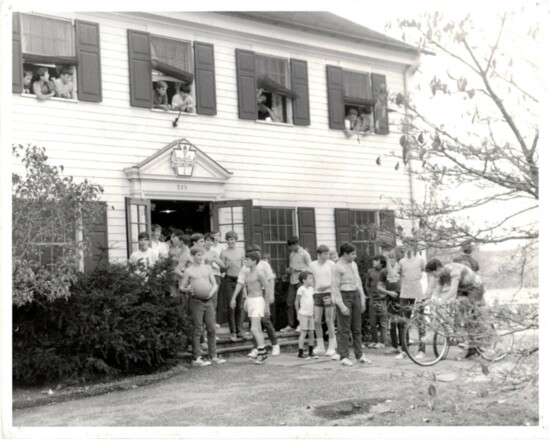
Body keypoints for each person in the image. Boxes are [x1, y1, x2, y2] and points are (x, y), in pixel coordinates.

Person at [424, 258, 486, 359]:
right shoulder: (442, 275)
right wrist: (431, 300)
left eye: (432, 273)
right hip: (464, 288)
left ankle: (478, 341)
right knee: (458, 314)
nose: (432, 276)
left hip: (476, 287)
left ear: (437, 269)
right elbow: (437, 291)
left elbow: (453, 290)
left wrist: (442, 301)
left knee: (465, 310)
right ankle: (472, 347)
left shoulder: (453, 271)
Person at [180, 246, 226, 367]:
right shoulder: (188, 270)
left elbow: (214, 284)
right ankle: (196, 357)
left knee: (211, 329)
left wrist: (211, 293)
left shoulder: (208, 268)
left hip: (208, 301)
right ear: (193, 256)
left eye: (202, 254)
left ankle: (213, 355)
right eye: (198, 255)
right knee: (198, 328)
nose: (200, 257)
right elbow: (181, 287)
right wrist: (187, 289)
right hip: (196, 302)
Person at [236, 245, 280, 358]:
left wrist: (270, 296)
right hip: (251, 299)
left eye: (257, 251)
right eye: (252, 252)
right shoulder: (245, 268)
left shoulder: (264, 265)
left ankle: (274, 344)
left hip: (261, 296)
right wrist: (245, 299)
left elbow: (270, 280)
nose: (256, 253)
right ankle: (257, 348)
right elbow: (242, 283)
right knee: (254, 324)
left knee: (265, 320)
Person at [331, 242, 372, 366]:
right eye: (353, 254)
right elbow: (334, 288)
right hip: (344, 296)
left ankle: (359, 355)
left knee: (357, 328)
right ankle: (344, 356)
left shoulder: (353, 264)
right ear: (345, 254)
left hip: (355, 295)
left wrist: (362, 298)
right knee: (344, 328)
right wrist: (341, 305)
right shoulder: (337, 267)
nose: (355, 256)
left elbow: (358, 282)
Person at [231, 251, 270, 364]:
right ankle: (262, 353)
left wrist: (266, 305)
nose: (245, 261)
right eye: (245, 259)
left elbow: (267, 288)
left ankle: (261, 353)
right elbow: (244, 286)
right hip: (251, 300)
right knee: (257, 329)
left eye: (248, 259)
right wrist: (246, 300)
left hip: (258, 300)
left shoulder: (259, 273)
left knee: (253, 329)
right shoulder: (247, 273)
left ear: (254, 261)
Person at [309, 244, 337, 356]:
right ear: (319, 254)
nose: (327, 256)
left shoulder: (332, 264)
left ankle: (331, 345)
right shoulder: (312, 265)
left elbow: (335, 280)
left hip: (329, 294)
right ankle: (320, 346)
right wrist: (312, 290)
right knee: (316, 320)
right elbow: (312, 279)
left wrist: (326, 287)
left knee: (329, 320)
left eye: (328, 254)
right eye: (325, 254)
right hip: (317, 294)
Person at [399, 245, 426, 359]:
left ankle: (421, 350)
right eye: (406, 246)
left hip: (418, 293)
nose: (408, 249)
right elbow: (400, 275)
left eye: (410, 246)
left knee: (420, 321)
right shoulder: (401, 261)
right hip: (405, 294)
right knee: (404, 322)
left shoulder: (421, 260)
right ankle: (405, 350)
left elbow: (425, 273)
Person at [280, 236, 312, 333]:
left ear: (295, 244)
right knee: (290, 303)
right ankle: (290, 325)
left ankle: (301, 325)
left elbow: (310, 268)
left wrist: (297, 270)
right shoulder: (292, 254)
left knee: (302, 304)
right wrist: (289, 271)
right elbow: (291, 267)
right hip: (292, 281)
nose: (289, 248)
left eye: (291, 246)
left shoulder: (305, 254)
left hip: (301, 282)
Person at [377, 250, 405, 359]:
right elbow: (379, 286)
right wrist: (387, 293)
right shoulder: (384, 272)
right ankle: (394, 346)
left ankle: (403, 346)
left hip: (401, 297)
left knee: (402, 323)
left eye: (393, 257)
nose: (392, 260)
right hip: (390, 298)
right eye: (389, 258)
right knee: (392, 324)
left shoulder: (400, 269)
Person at [220, 231, 245, 341]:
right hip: (229, 280)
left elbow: (244, 268)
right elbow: (221, 269)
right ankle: (233, 332)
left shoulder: (240, 252)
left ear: (236, 240)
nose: (231, 241)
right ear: (226, 240)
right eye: (229, 239)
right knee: (231, 306)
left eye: (232, 239)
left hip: (239, 280)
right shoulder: (224, 253)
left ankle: (239, 330)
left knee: (239, 306)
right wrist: (225, 267)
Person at [365, 255, 388, 350]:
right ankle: (374, 341)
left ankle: (382, 342)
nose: (374, 262)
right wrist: (369, 295)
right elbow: (367, 285)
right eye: (374, 260)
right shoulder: (370, 271)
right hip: (373, 299)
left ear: (382, 263)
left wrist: (385, 295)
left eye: (376, 260)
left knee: (383, 322)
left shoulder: (386, 271)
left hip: (383, 300)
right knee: (373, 322)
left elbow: (389, 284)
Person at [295, 271, 318, 359]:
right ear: (304, 280)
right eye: (310, 278)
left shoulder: (311, 289)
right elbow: (296, 301)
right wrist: (298, 312)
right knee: (304, 332)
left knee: (311, 332)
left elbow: (312, 300)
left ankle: (310, 351)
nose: (311, 280)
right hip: (303, 314)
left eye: (312, 278)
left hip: (310, 314)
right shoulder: (301, 289)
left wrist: (314, 310)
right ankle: (300, 352)